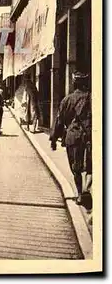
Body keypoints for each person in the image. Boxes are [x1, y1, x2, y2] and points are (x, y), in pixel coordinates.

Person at [50, 72, 92, 206]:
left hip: (72, 136)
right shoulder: (92, 97)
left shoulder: (67, 100)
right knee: (91, 166)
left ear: (74, 84)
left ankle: (80, 194)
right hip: (90, 136)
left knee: (76, 168)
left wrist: (53, 139)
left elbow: (59, 121)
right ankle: (86, 188)